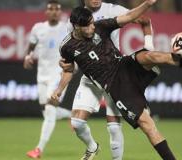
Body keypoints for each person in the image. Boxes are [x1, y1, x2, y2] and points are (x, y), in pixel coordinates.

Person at [51, 0, 182, 159]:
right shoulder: (66, 47)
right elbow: (68, 69)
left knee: (152, 56)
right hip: (115, 86)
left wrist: (147, 3)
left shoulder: (100, 26)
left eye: (92, 23)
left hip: (124, 65)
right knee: (148, 124)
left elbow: (129, 16)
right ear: (75, 26)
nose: (92, 28)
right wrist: (59, 90)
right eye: (87, 26)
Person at [63, 0, 156, 160]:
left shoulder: (114, 10)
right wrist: (66, 65)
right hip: (91, 76)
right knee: (77, 123)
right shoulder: (75, 19)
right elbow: (74, 54)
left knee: (113, 127)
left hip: (114, 74)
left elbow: (141, 19)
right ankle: (92, 148)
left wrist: (148, 45)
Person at [23, 0, 71, 158]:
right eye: (51, 9)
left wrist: (73, 64)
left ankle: (38, 149)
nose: (54, 12)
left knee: (50, 110)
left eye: (57, 9)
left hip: (58, 75)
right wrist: (28, 57)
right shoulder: (38, 28)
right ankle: (72, 115)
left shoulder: (66, 27)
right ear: (46, 12)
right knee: (47, 111)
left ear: (60, 12)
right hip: (41, 75)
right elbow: (31, 46)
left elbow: (75, 47)